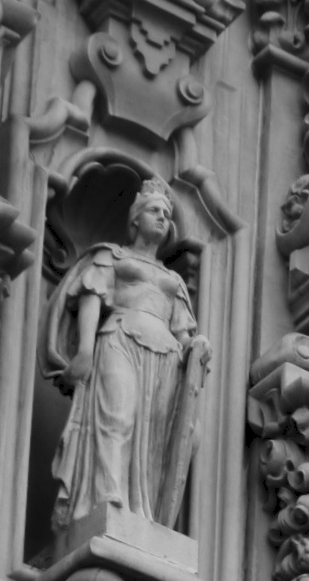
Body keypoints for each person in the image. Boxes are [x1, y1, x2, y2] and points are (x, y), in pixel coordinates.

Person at [42, 176, 207, 533]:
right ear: (135, 219)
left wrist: (196, 350)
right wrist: (85, 350)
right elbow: (92, 296)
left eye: (166, 213)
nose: (162, 218)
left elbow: (184, 331)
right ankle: (107, 500)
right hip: (119, 339)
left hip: (165, 358)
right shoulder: (110, 257)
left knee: (152, 439)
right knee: (118, 418)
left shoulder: (174, 281)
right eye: (153, 211)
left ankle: (140, 518)